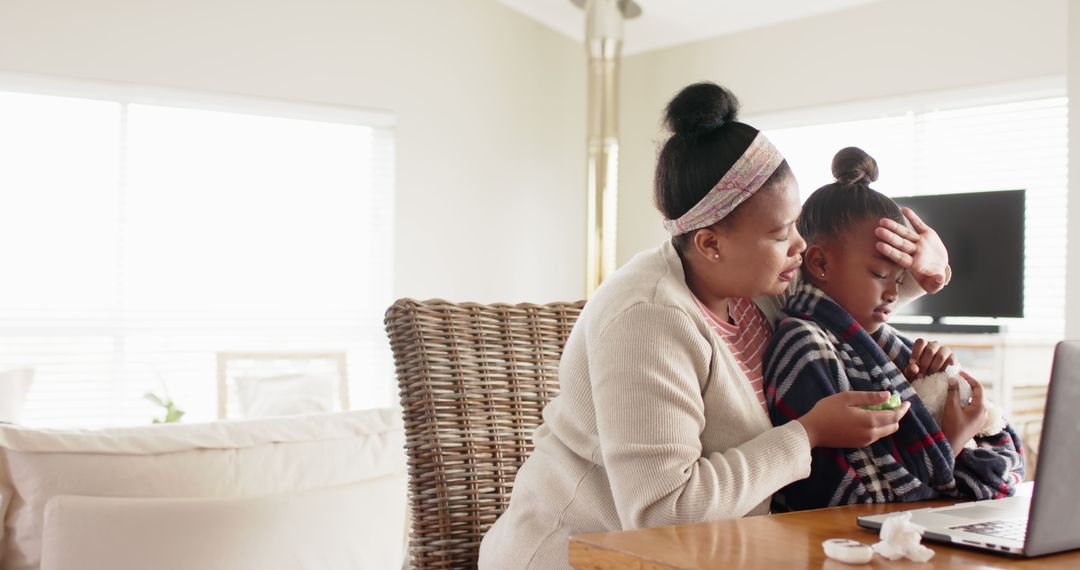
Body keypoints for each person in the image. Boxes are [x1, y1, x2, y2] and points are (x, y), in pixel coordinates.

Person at [478, 83, 951, 569]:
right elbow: (661, 514)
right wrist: (808, 434)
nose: (801, 247)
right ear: (709, 243)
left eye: (797, 224)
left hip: (715, 553)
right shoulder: (647, 318)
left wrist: (928, 272)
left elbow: (845, 293)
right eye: (778, 233)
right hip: (585, 555)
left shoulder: (757, 286)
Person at [763, 147, 1025, 512]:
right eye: (879, 275)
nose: (894, 292)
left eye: (901, 279)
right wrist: (951, 440)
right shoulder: (805, 346)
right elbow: (860, 504)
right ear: (820, 263)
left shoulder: (885, 344)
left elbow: (1009, 456)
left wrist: (933, 393)